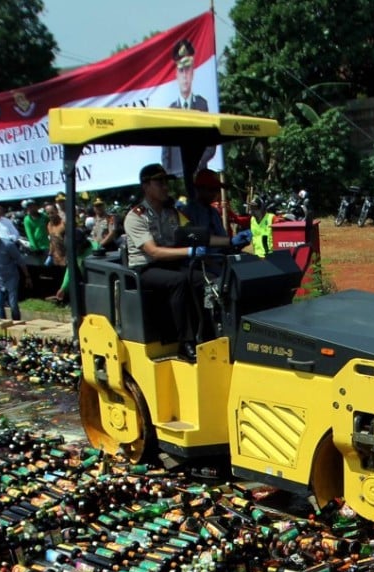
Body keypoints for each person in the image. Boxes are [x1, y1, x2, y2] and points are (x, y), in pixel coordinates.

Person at [123, 163, 251, 361]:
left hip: (172, 264)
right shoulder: (136, 216)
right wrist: (189, 251)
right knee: (179, 281)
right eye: (159, 182)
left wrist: (230, 241)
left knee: (209, 280)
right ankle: (185, 343)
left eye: (166, 182)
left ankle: (210, 335)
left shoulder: (172, 212)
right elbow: (153, 252)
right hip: (146, 268)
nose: (165, 186)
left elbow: (199, 237)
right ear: (146, 186)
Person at [161, 39, 215, 175]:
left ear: (193, 72)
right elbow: (166, 150)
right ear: (176, 75)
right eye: (181, 71)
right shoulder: (171, 110)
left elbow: (210, 144)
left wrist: (198, 164)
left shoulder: (202, 105)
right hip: (177, 176)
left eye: (188, 70)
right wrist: (168, 174)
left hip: (198, 174)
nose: (185, 76)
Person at [182, 169, 230, 238]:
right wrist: (227, 242)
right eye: (211, 189)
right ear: (200, 189)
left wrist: (229, 242)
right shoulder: (189, 212)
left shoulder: (214, 212)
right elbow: (199, 241)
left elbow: (221, 237)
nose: (215, 193)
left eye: (217, 190)